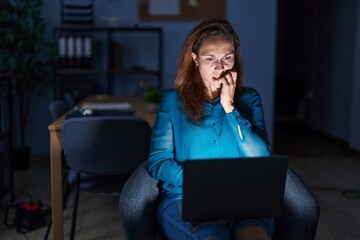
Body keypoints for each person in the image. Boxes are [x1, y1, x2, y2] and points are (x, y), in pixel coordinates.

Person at [147, 18, 273, 240]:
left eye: (227, 58)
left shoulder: (250, 98)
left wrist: (230, 109)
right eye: (209, 59)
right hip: (185, 198)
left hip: (241, 200)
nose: (220, 67)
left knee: (254, 236)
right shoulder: (173, 101)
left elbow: (262, 157)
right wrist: (200, 180)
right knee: (213, 236)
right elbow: (158, 161)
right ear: (195, 59)